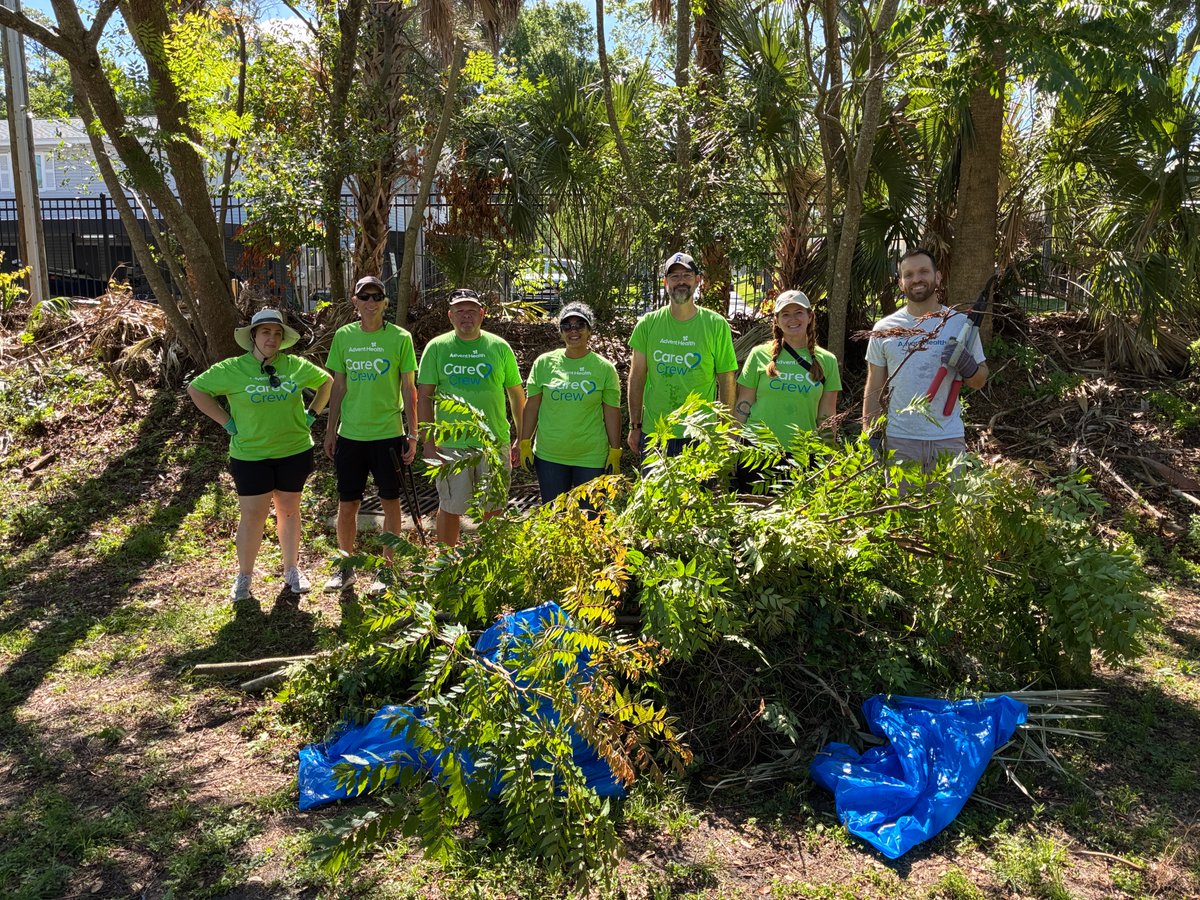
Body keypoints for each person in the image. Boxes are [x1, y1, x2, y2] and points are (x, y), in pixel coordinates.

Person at [187, 308, 332, 601]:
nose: (272, 338)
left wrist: (312, 416)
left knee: (289, 511)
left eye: (277, 333)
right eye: (266, 332)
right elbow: (197, 389)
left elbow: (327, 383)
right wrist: (227, 422)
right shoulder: (232, 369)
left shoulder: (294, 366)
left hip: (294, 451)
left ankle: (292, 569)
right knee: (253, 516)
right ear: (253, 335)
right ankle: (244, 576)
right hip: (250, 455)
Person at [322, 276, 418, 592]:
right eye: (365, 296)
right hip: (350, 436)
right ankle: (345, 567)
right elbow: (338, 385)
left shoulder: (400, 338)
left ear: (386, 302)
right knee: (347, 504)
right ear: (355, 301)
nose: (371, 302)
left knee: (391, 503)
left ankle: (387, 570)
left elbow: (409, 388)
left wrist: (413, 434)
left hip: (389, 435)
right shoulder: (343, 337)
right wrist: (330, 430)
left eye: (377, 296)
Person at [862, 248, 989, 471]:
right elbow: (874, 387)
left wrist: (967, 366)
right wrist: (870, 435)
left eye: (923, 272)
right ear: (900, 283)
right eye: (908, 274)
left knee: (950, 506)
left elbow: (979, 382)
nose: (917, 279)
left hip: (948, 440)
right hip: (899, 441)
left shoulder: (960, 324)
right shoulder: (884, 329)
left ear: (937, 277)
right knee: (900, 506)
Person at [417, 288, 525, 546]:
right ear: (450, 315)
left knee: (494, 506)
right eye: (460, 311)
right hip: (451, 445)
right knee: (451, 506)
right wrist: (428, 443)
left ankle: (492, 561)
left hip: (493, 441)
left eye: (472, 310)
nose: (467, 316)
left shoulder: (499, 347)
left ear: (482, 314)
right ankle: (447, 563)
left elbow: (517, 396)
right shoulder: (437, 348)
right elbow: (424, 397)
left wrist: (522, 439)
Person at [627, 252, 737, 458]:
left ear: (698, 280)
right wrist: (635, 425)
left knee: (701, 492)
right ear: (665, 282)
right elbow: (637, 377)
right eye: (674, 277)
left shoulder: (715, 325)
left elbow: (726, 378)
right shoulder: (648, 324)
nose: (681, 282)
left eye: (687, 275)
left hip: (701, 434)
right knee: (654, 491)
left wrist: (725, 429)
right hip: (656, 433)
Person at [733, 290, 841, 487]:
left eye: (799, 312)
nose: (793, 319)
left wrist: (829, 458)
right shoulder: (759, 355)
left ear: (810, 316)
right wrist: (729, 446)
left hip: (802, 455)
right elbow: (743, 403)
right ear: (776, 320)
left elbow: (826, 415)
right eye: (786, 314)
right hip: (756, 453)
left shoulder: (827, 361)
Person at [518, 302, 622, 503]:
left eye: (579, 325)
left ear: (589, 330)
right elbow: (532, 405)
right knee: (554, 514)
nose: (573, 331)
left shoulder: (604, 368)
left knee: (591, 516)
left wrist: (615, 450)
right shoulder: (544, 363)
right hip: (550, 456)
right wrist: (524, 442)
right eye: (567, 325)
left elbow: (612, 412)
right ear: (560, 331)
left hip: (591, 456)